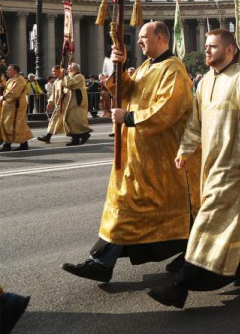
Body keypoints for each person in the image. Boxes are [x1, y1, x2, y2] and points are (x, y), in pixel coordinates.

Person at [61, 21, 199, 283]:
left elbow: (168, 109)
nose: (139, 42)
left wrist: (130, 118)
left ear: (160, 37)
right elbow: (125, 91)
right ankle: (189, 251)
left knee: (133, 207)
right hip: (137, 155)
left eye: (144, 37)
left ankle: (102, 262)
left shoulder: (174, 69)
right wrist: (119, 67)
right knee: (128, 206)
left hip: (161, 158)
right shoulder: (147, 66)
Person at [148, 29, 240, 309]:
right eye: (206, 46)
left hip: (235, 166)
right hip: (210, 165)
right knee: (238, 217)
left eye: (213, 47)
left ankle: (182, 285)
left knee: (209, 221)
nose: (206, 51)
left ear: (230, 51)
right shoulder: (204, 82)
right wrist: (184, 150)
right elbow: (195, 122)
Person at [0, 65, 32, 152]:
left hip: (16, 107)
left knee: (14, 125)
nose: (7, 71)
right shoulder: (11, 80)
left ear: (14, 71)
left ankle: (7, 144)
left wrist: (3, 97)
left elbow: (14, 93)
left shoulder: (20, 80)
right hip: (9, 106)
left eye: (9, 70)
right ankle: (23, 144)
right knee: (14, 125)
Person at [61, 63, 93, 146]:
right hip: (72, 102)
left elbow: (70, 84)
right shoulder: (73, 76)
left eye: (69, 69)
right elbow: (65, 85)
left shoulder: (79, 76)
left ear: (74, 69)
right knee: (72, 120)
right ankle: (77, 138)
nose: (68, 70)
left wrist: (65, 75)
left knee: (74, 120)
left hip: (77, 103)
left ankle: (84, 134)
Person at [37, 66, 66, 144]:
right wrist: (50, 102)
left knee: (68, 122)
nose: (52, 73)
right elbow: (53, 94)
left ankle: (79, 135)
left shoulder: (65, 80)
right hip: (58, 106)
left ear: (59, 71)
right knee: (54, 120)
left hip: (65, 105)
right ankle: (48, 136)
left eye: (54, 71)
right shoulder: (56, 81)